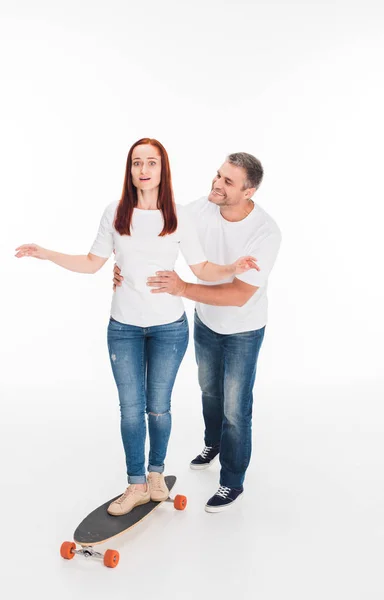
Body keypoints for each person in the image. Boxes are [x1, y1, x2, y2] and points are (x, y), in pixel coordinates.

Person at [15, 139, 259, 516]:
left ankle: (156, 475)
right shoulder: (115, 213)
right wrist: (47, 254)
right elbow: (92, 262)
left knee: (158, 408)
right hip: (123, 329)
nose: (143, 170)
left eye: (152, 163)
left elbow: (201, 269)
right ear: (129, 171)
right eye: (136, 163)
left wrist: (232, 269)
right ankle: (135, 484)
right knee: (131, 410)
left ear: (163, 170)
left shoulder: (179, 216)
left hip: (169, 329)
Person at [114, 151, 281, 512]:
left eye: (228, 182)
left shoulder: (266, 233)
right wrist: (121, 266)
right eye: (218, 175)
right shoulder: (199, 209)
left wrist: (183, 289)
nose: (217, 185)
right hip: (206, 321)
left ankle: (231, 481)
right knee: (209, 390)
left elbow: (239, 294)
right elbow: (155, 229)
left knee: (236, 408)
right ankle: (213, 443)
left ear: (248, 192)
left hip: (244, 329)